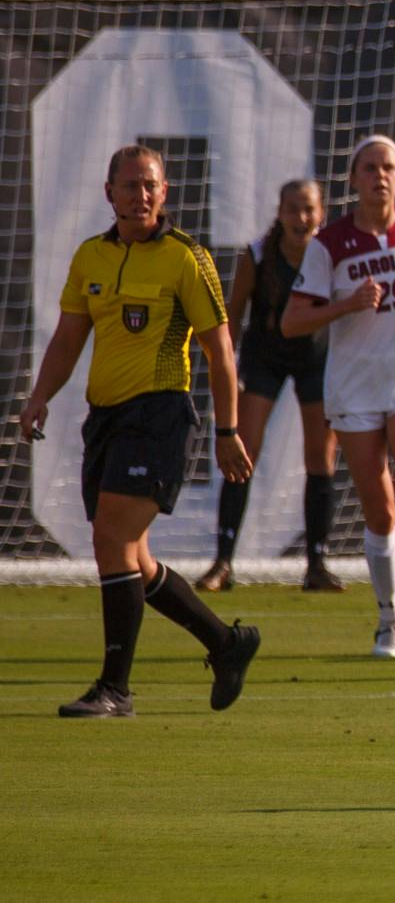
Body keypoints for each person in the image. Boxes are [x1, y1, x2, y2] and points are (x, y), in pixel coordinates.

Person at [21, 144, 261, 717]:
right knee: (136, 558)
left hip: (159, 416)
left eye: (151, 185)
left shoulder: (185, 257)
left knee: (111, 538)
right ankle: (228, 644)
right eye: (130, 186)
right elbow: (69, 338)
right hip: (105, 419)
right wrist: (37, 398)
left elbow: (220, 351)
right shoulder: (90, 258)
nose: (141, 195)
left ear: (165, 192)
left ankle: (115, 689)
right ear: (110, 193)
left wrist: (228, 431)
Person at [282, 135, 395, 658]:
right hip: (355, 385)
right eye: (370, 168)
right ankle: (388, 616)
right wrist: (346, 304)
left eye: (389, 167)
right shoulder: (329, 244)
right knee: (380, 513)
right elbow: (292, 321)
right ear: (353, 179)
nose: (380, 175)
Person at [197, 179, 342, 593]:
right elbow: (233, 315)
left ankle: (317, 565)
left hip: (315, 359)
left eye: (309, 209)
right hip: (264, 359)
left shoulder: (329, 256)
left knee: (321, 455)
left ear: (322, 213)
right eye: (293, 209)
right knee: (244, 449)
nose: (302, 218)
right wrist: (227, 372)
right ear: (279, 213)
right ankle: (222, 563)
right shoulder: (258, 255)